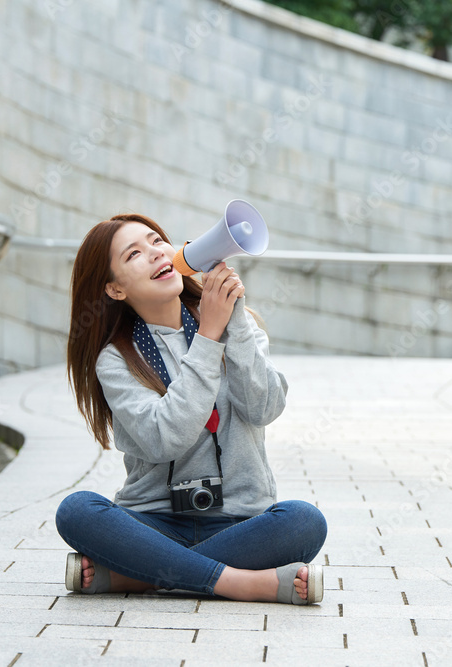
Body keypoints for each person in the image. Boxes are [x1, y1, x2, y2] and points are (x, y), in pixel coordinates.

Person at [55, 212, 327, 604]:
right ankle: (242, 583)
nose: (153, 253)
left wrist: (230, 320)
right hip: (153, 523)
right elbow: (165, 440)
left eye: (156, 241)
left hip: (240, 522)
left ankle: (137, 576)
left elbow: (264, 408)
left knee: (304, 522)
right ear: (115, 289)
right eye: (133, 254)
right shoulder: (116, 359)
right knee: (77, 510)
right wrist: (208, 337)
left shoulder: (239, 323)